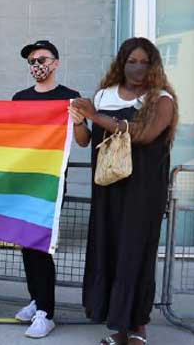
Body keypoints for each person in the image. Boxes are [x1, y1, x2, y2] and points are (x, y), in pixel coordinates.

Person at [71, 37, 178, 345]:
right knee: (110, 253)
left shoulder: (162, 99)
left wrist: (94, 115)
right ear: (122, 63)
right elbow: (83, 140)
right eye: (132, 61)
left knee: (136, 255)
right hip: (109, 189)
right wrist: (79, 119)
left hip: (143, 193)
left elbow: (144, 135)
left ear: (154, 64)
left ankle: (139, 329)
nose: (138, 67)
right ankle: (118, 329)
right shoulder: (104, 96)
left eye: (144, 61)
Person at [12, 40, 90, 338]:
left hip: (51, 182)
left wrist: (80, 122)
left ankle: (46, 311)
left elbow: (83, 140)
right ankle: (37, 300)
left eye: (41, 59)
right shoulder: (20, 98)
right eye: (31, 60)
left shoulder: (70, 98)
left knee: (41, 245)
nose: (36, 65)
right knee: (27, 243)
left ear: (55, 63)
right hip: (23, 181)